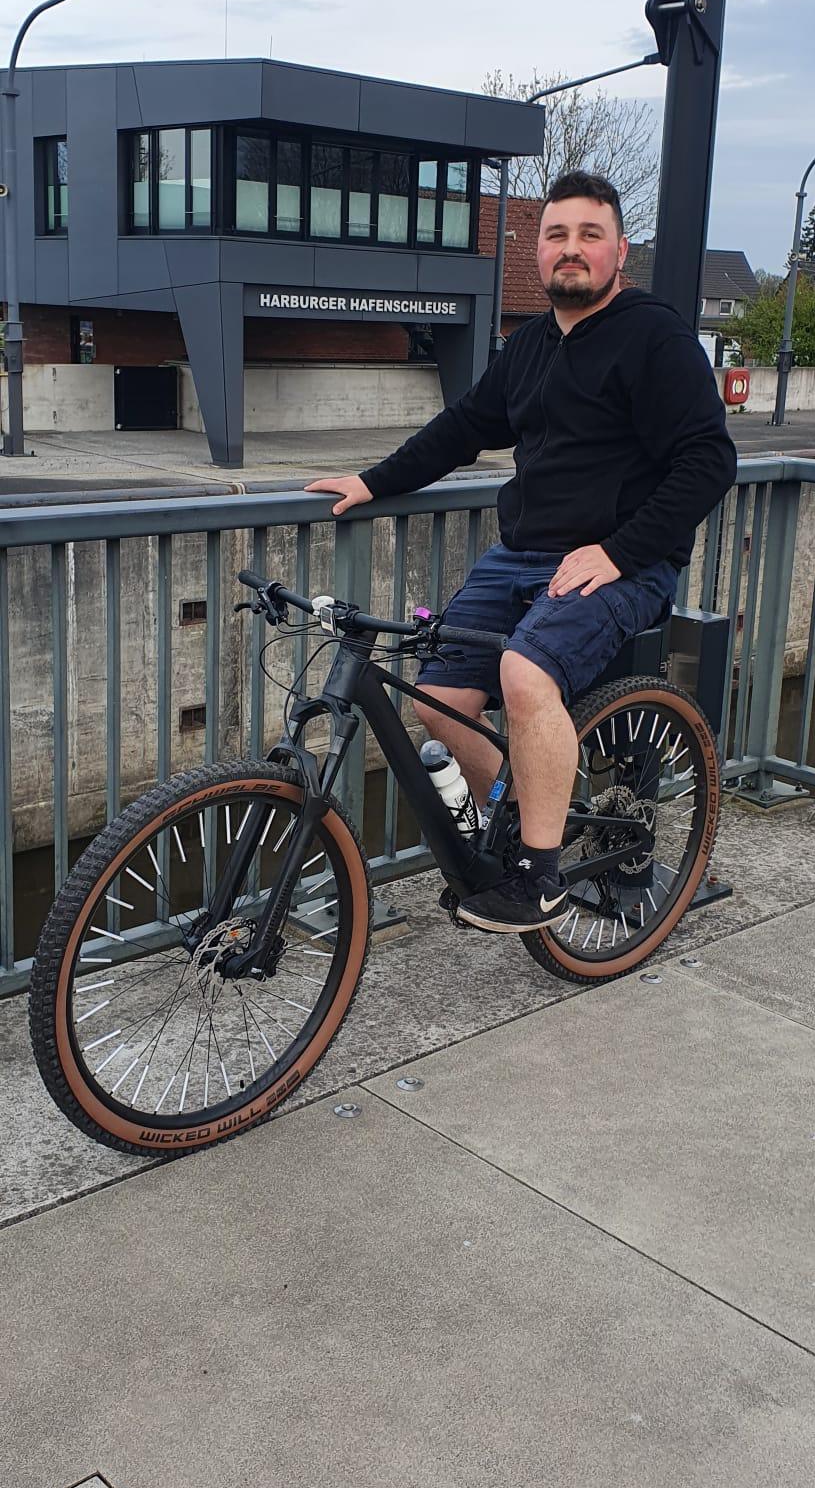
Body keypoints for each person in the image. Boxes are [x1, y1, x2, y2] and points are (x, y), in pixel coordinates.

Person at [306, 171, 737, 934]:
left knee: (525, 671)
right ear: (538, 252)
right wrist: (372, 481)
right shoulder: (531, 344)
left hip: (622, 561)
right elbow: (465, 427)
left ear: (619, 252)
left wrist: (619, 551)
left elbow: (709, 461)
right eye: (556, 235)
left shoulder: (656, 337)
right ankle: (525, 817)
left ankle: (539, 878)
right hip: (523, 553)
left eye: (589, 235)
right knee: (441, 699)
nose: (571, 249)